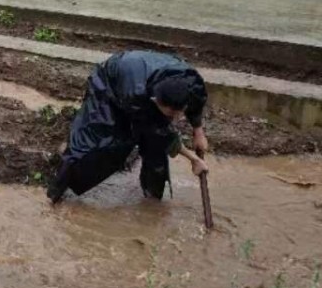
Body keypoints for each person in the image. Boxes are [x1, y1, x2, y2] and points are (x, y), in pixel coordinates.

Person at [47, 49, 210, 204]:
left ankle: (152, 199)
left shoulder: (193, 83)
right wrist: (193, 159)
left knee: (155, 151)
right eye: (170, 114)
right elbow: (161, 134)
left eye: (180, 113)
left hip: (144, 72)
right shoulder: (136, 95)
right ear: (155, 101)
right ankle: (55, 193)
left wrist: (198, 132)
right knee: (95, 140)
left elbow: (196, 104)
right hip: (108, 83)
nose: (176, 118)